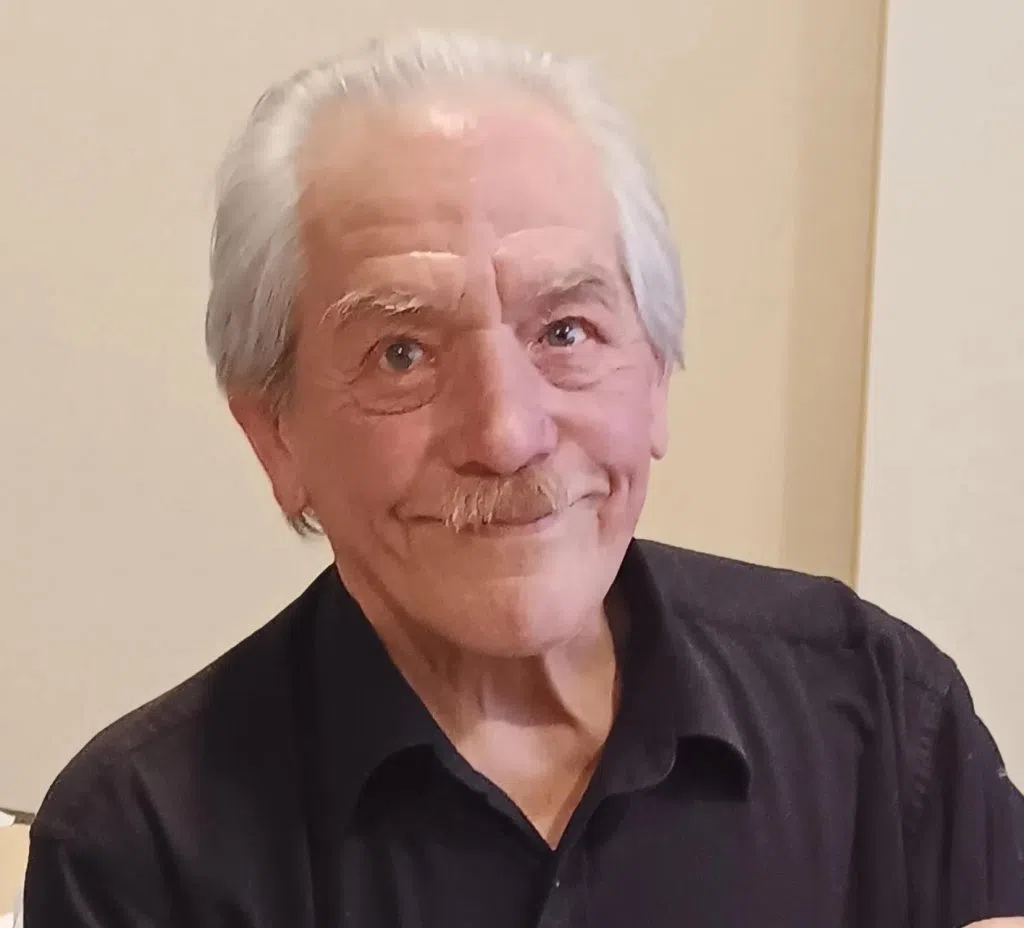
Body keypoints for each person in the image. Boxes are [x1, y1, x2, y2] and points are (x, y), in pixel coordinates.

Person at [23, 30, 1024, 927]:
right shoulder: (142, 849)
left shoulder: (876, 711)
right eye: (402, 353)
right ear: (274, 435)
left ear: (655, 378)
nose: (507, 434)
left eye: (566, 331)